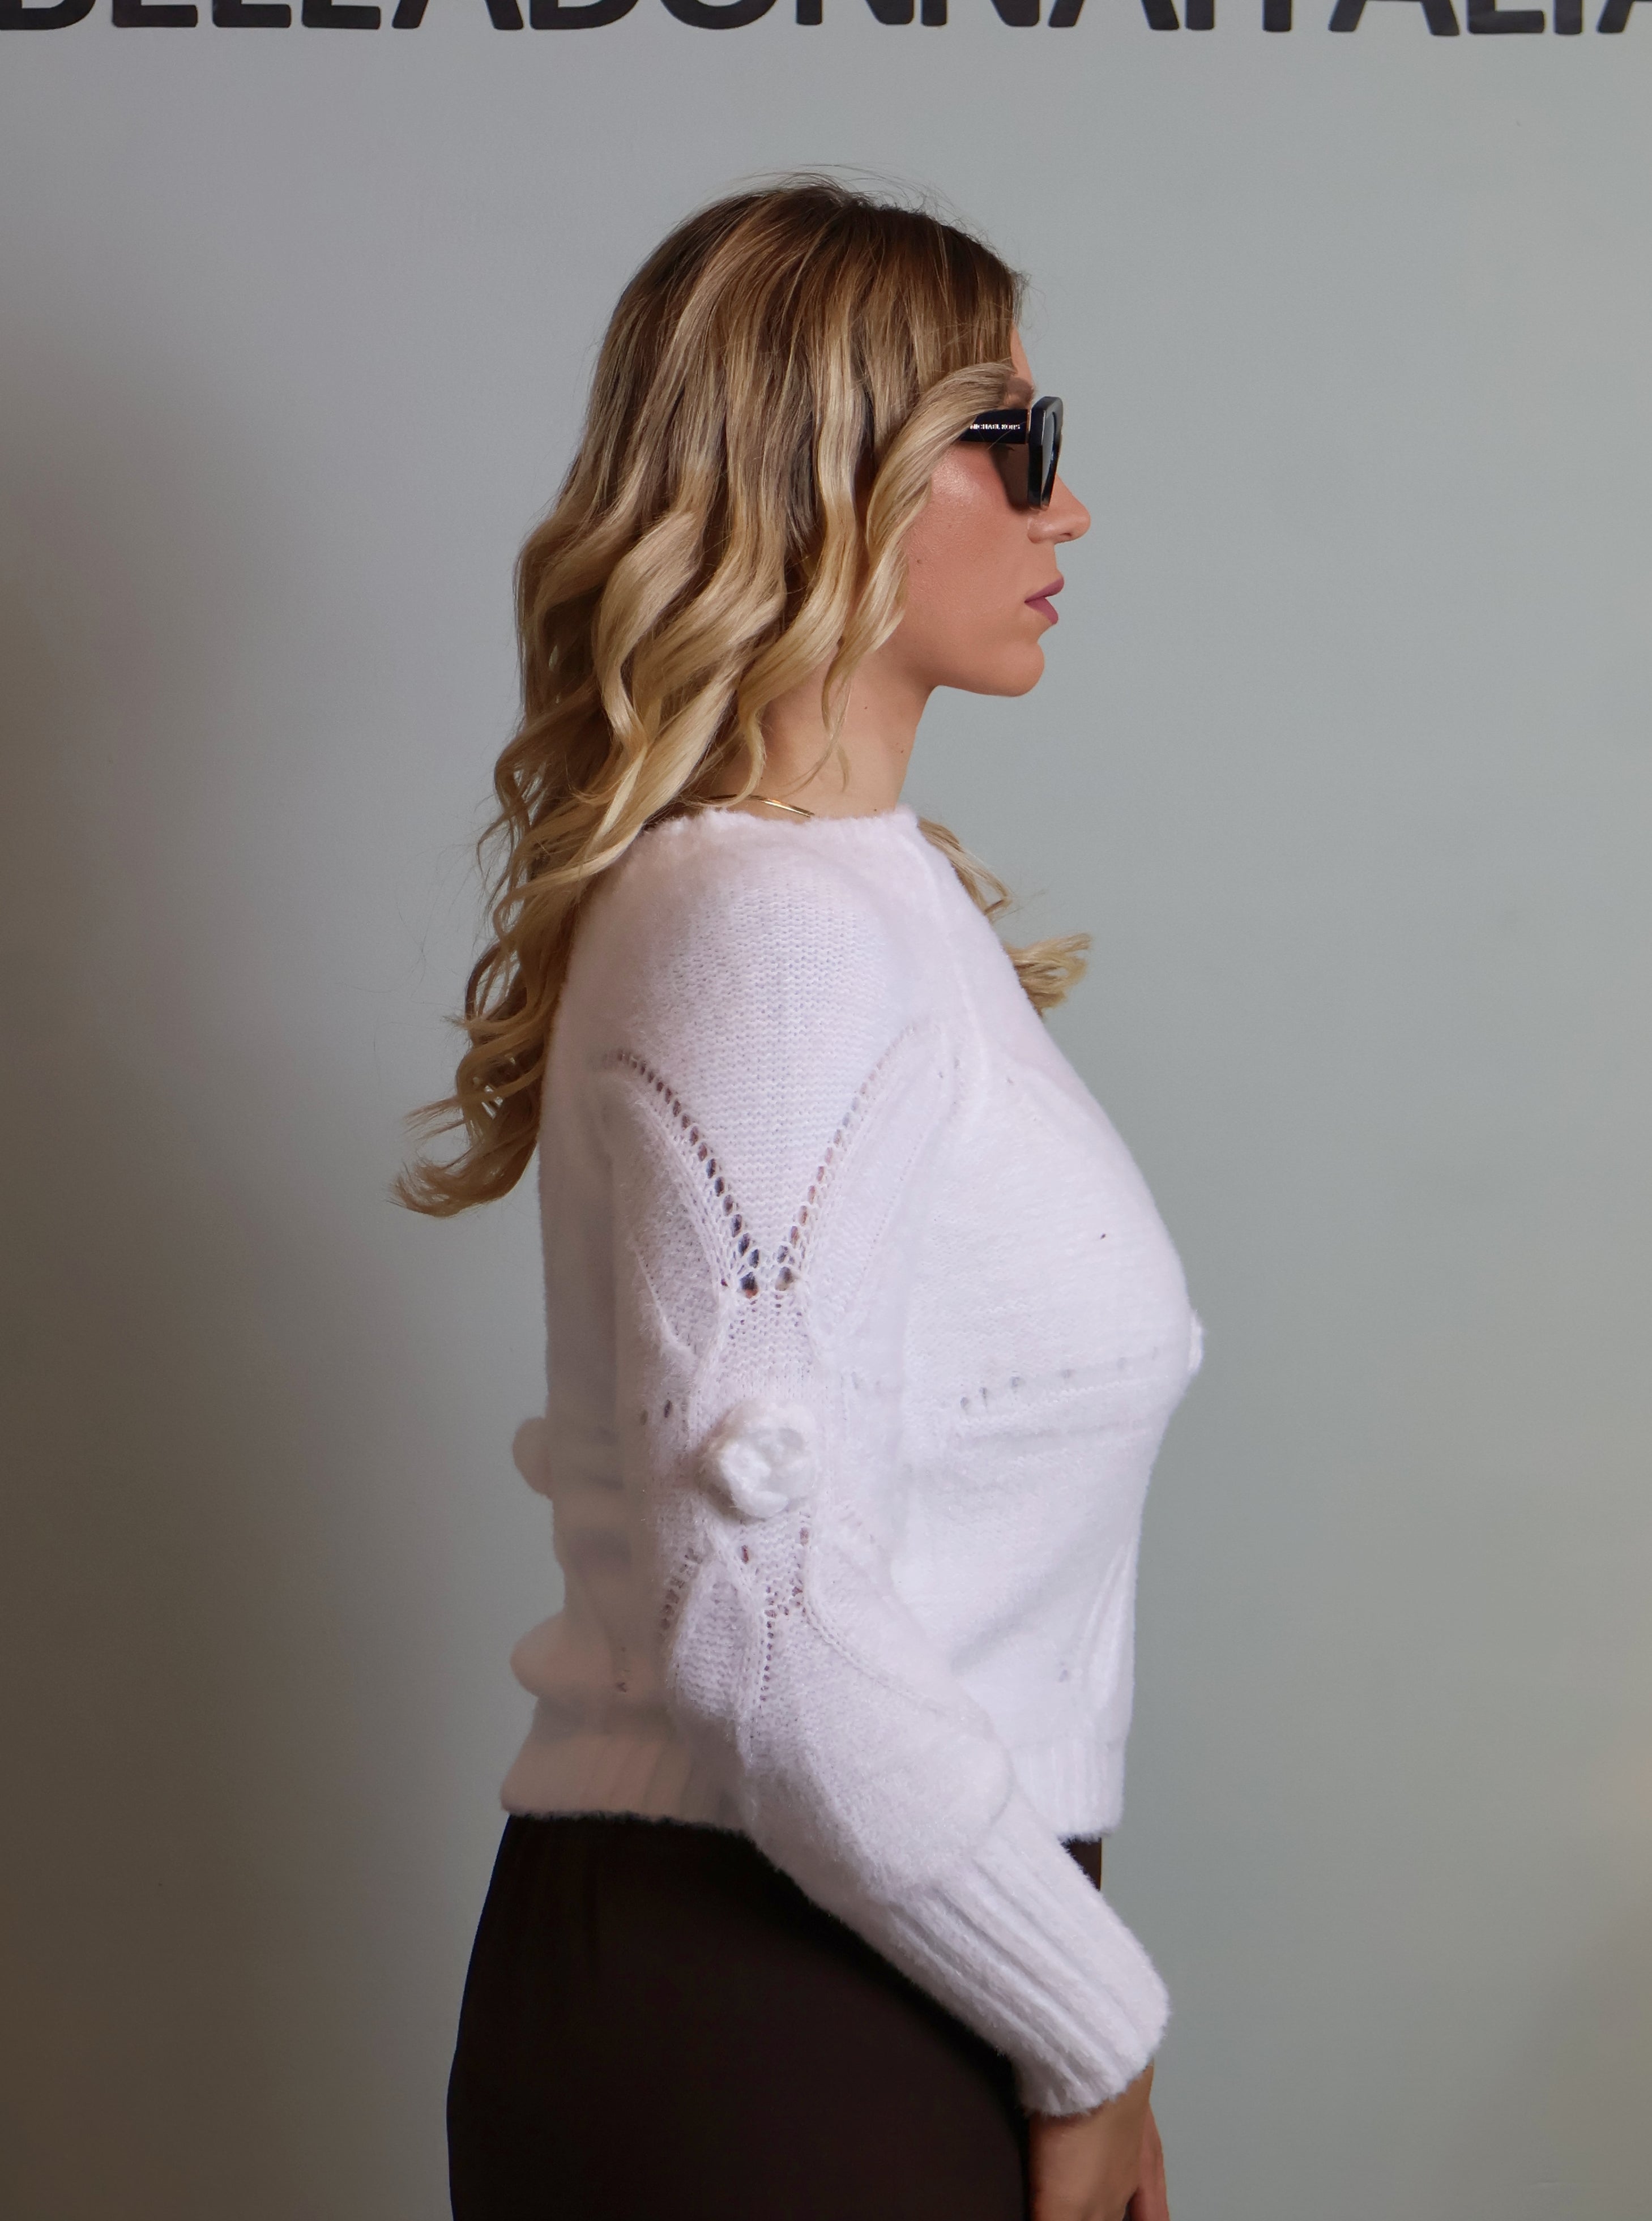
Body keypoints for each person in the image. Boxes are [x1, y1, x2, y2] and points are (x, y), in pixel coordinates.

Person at [399, 177, 1201, 2221]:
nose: (1068, 507)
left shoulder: (859, 902)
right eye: (1011, 440)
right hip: (778, 2009)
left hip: (876, 1972)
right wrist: (1093, 2025)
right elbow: (759, 1620)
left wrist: (1054, 2007)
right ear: (826, 471)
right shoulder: (771, 937)